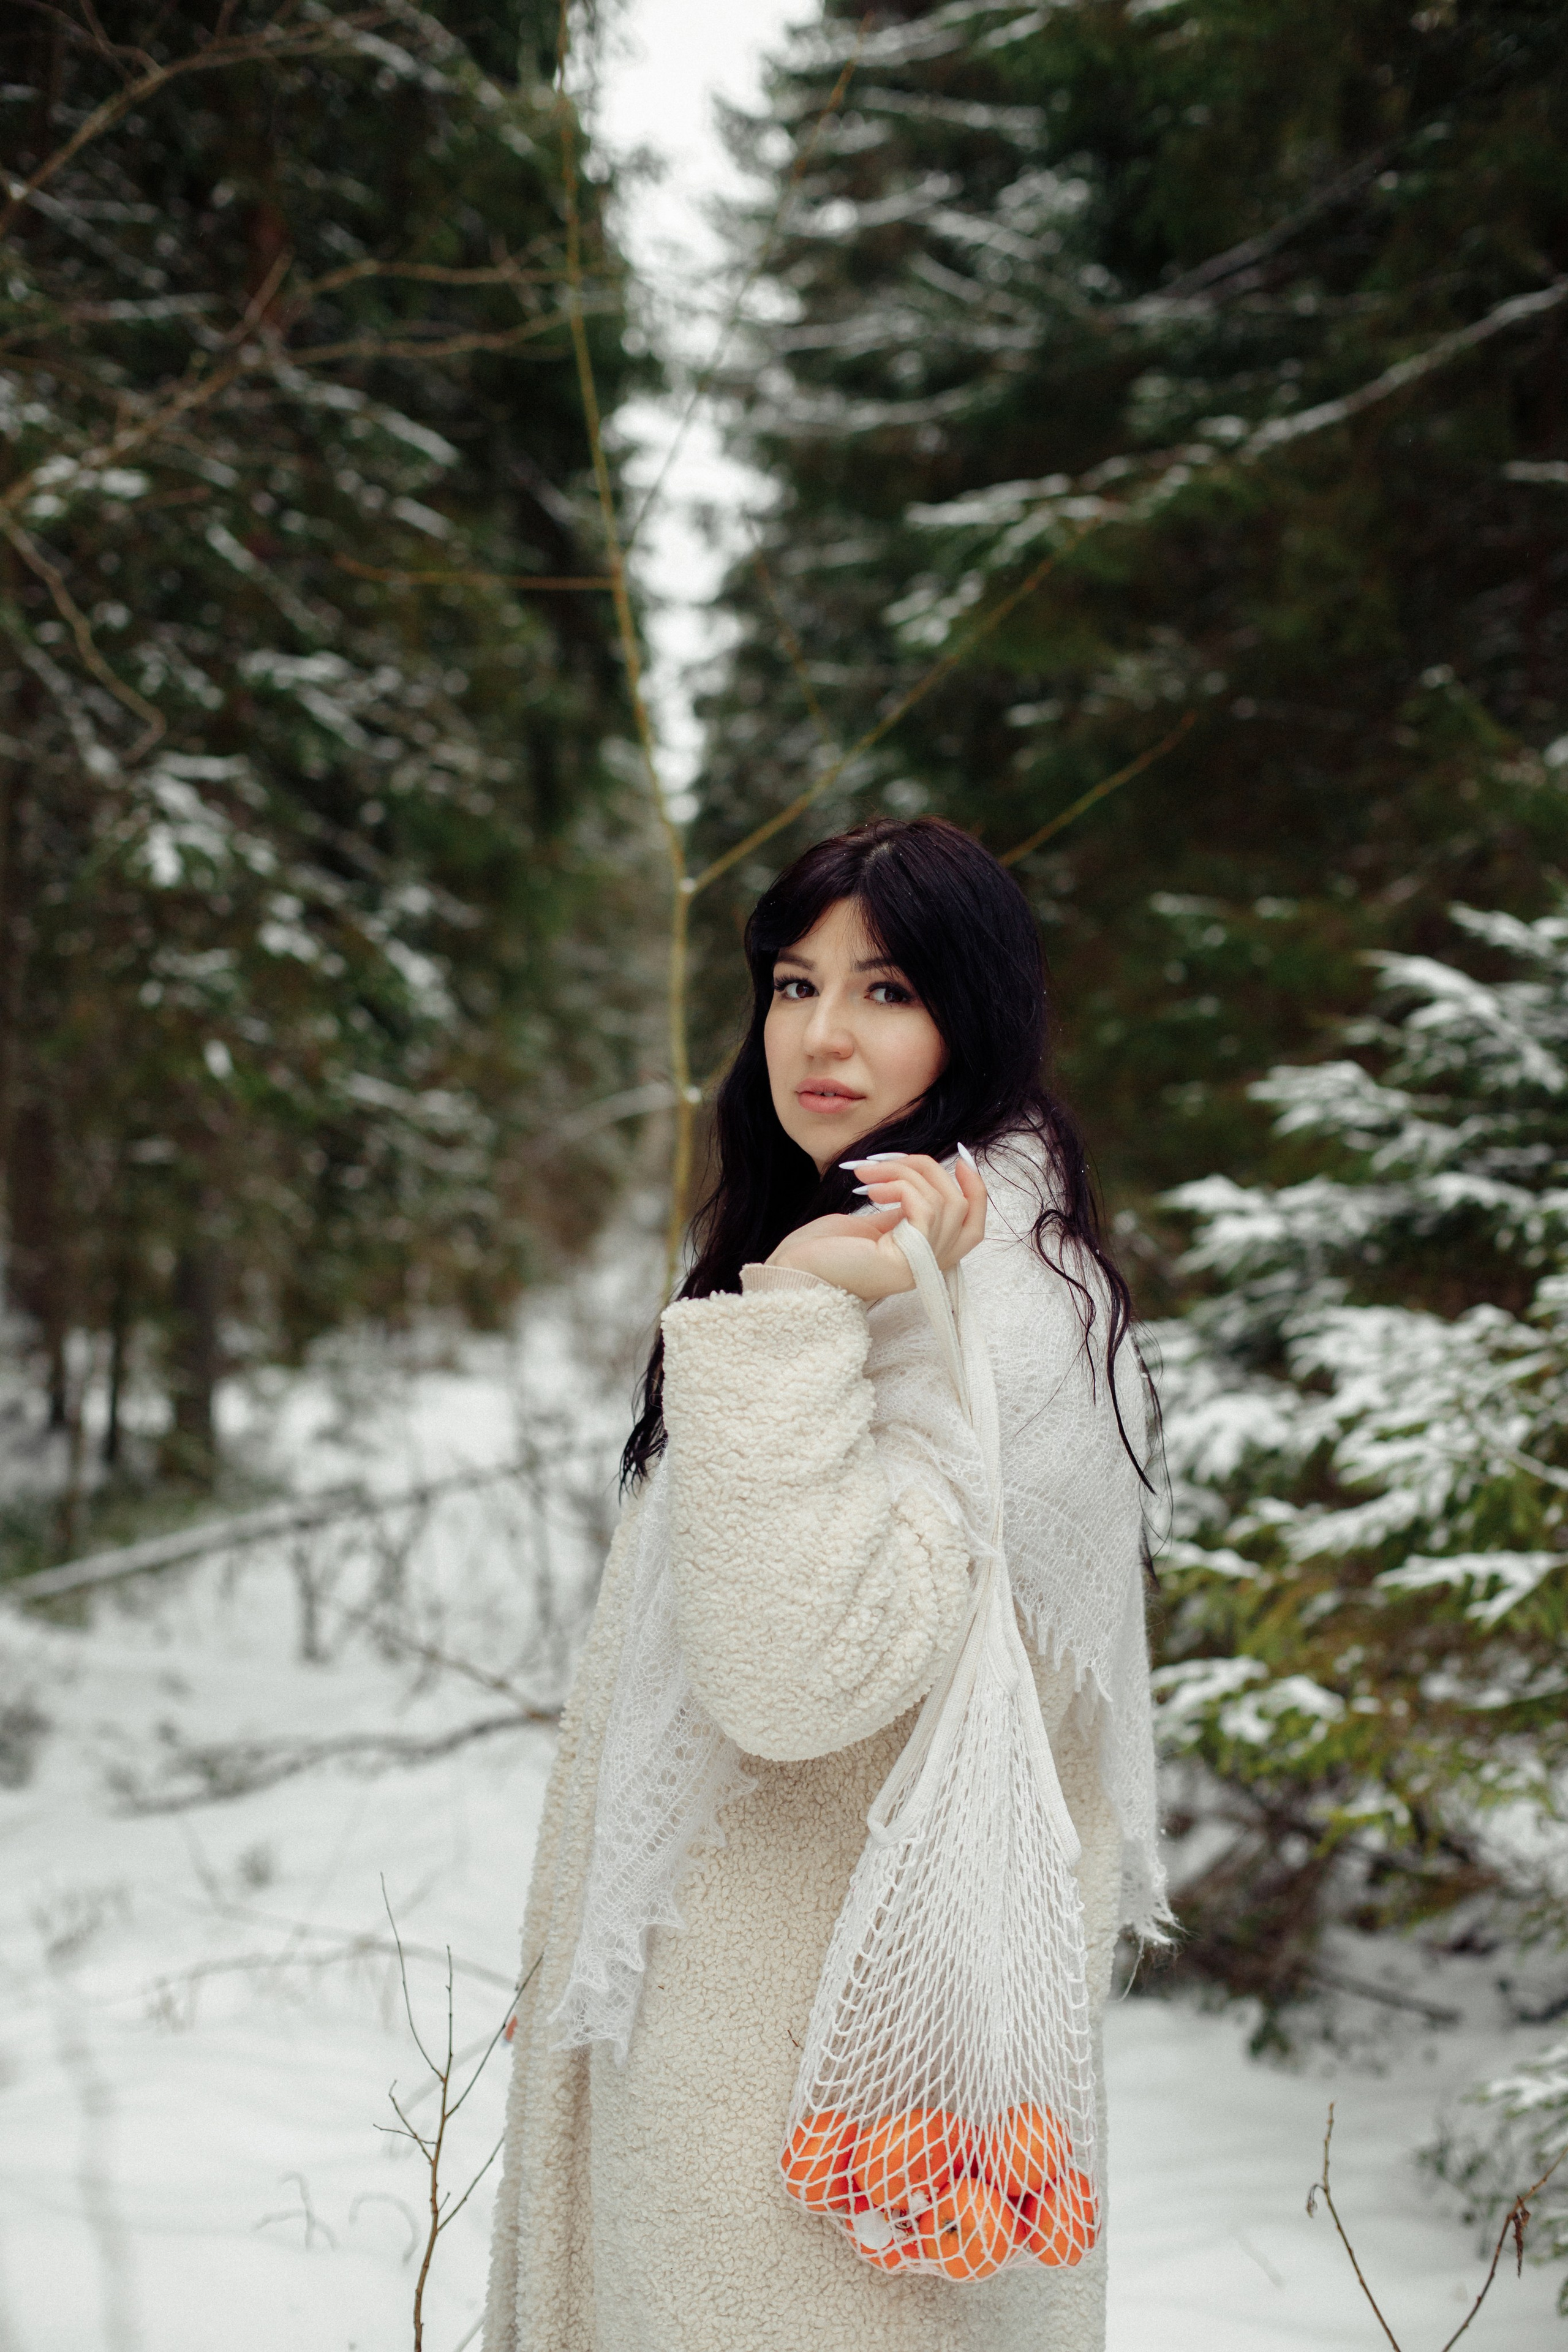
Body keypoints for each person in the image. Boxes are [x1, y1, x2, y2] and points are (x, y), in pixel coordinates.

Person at [483, 816, 1166, 2352]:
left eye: (887, 989)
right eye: (793, 986)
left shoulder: (985, 1307)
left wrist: (789, 1310)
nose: (823, 1036)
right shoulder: (871, 1243)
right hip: (746, 2074)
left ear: (975, 1015)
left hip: (823, 2138)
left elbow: (797, 1671)